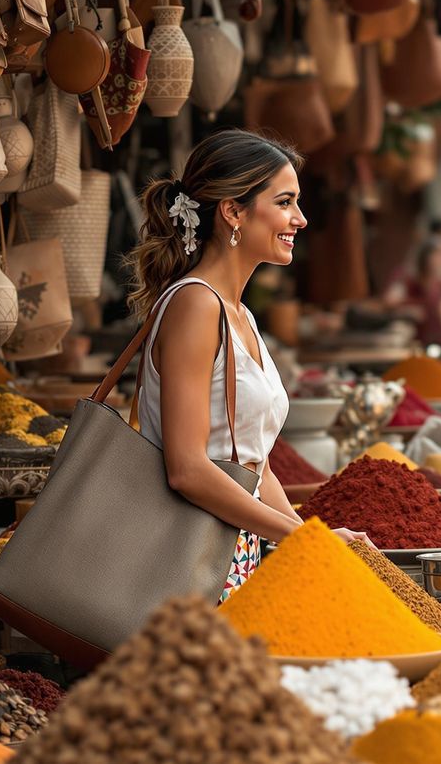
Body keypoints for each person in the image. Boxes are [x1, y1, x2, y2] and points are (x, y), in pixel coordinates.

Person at [128, 130, 369, 602]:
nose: (299, 219)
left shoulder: (239, 314)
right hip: (193, 558)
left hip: (235, 549)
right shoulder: (196, 305)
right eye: (284, 202)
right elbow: (188, 469)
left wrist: (311, 541)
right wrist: (302, 539)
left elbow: (254, 467)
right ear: (233, 211)